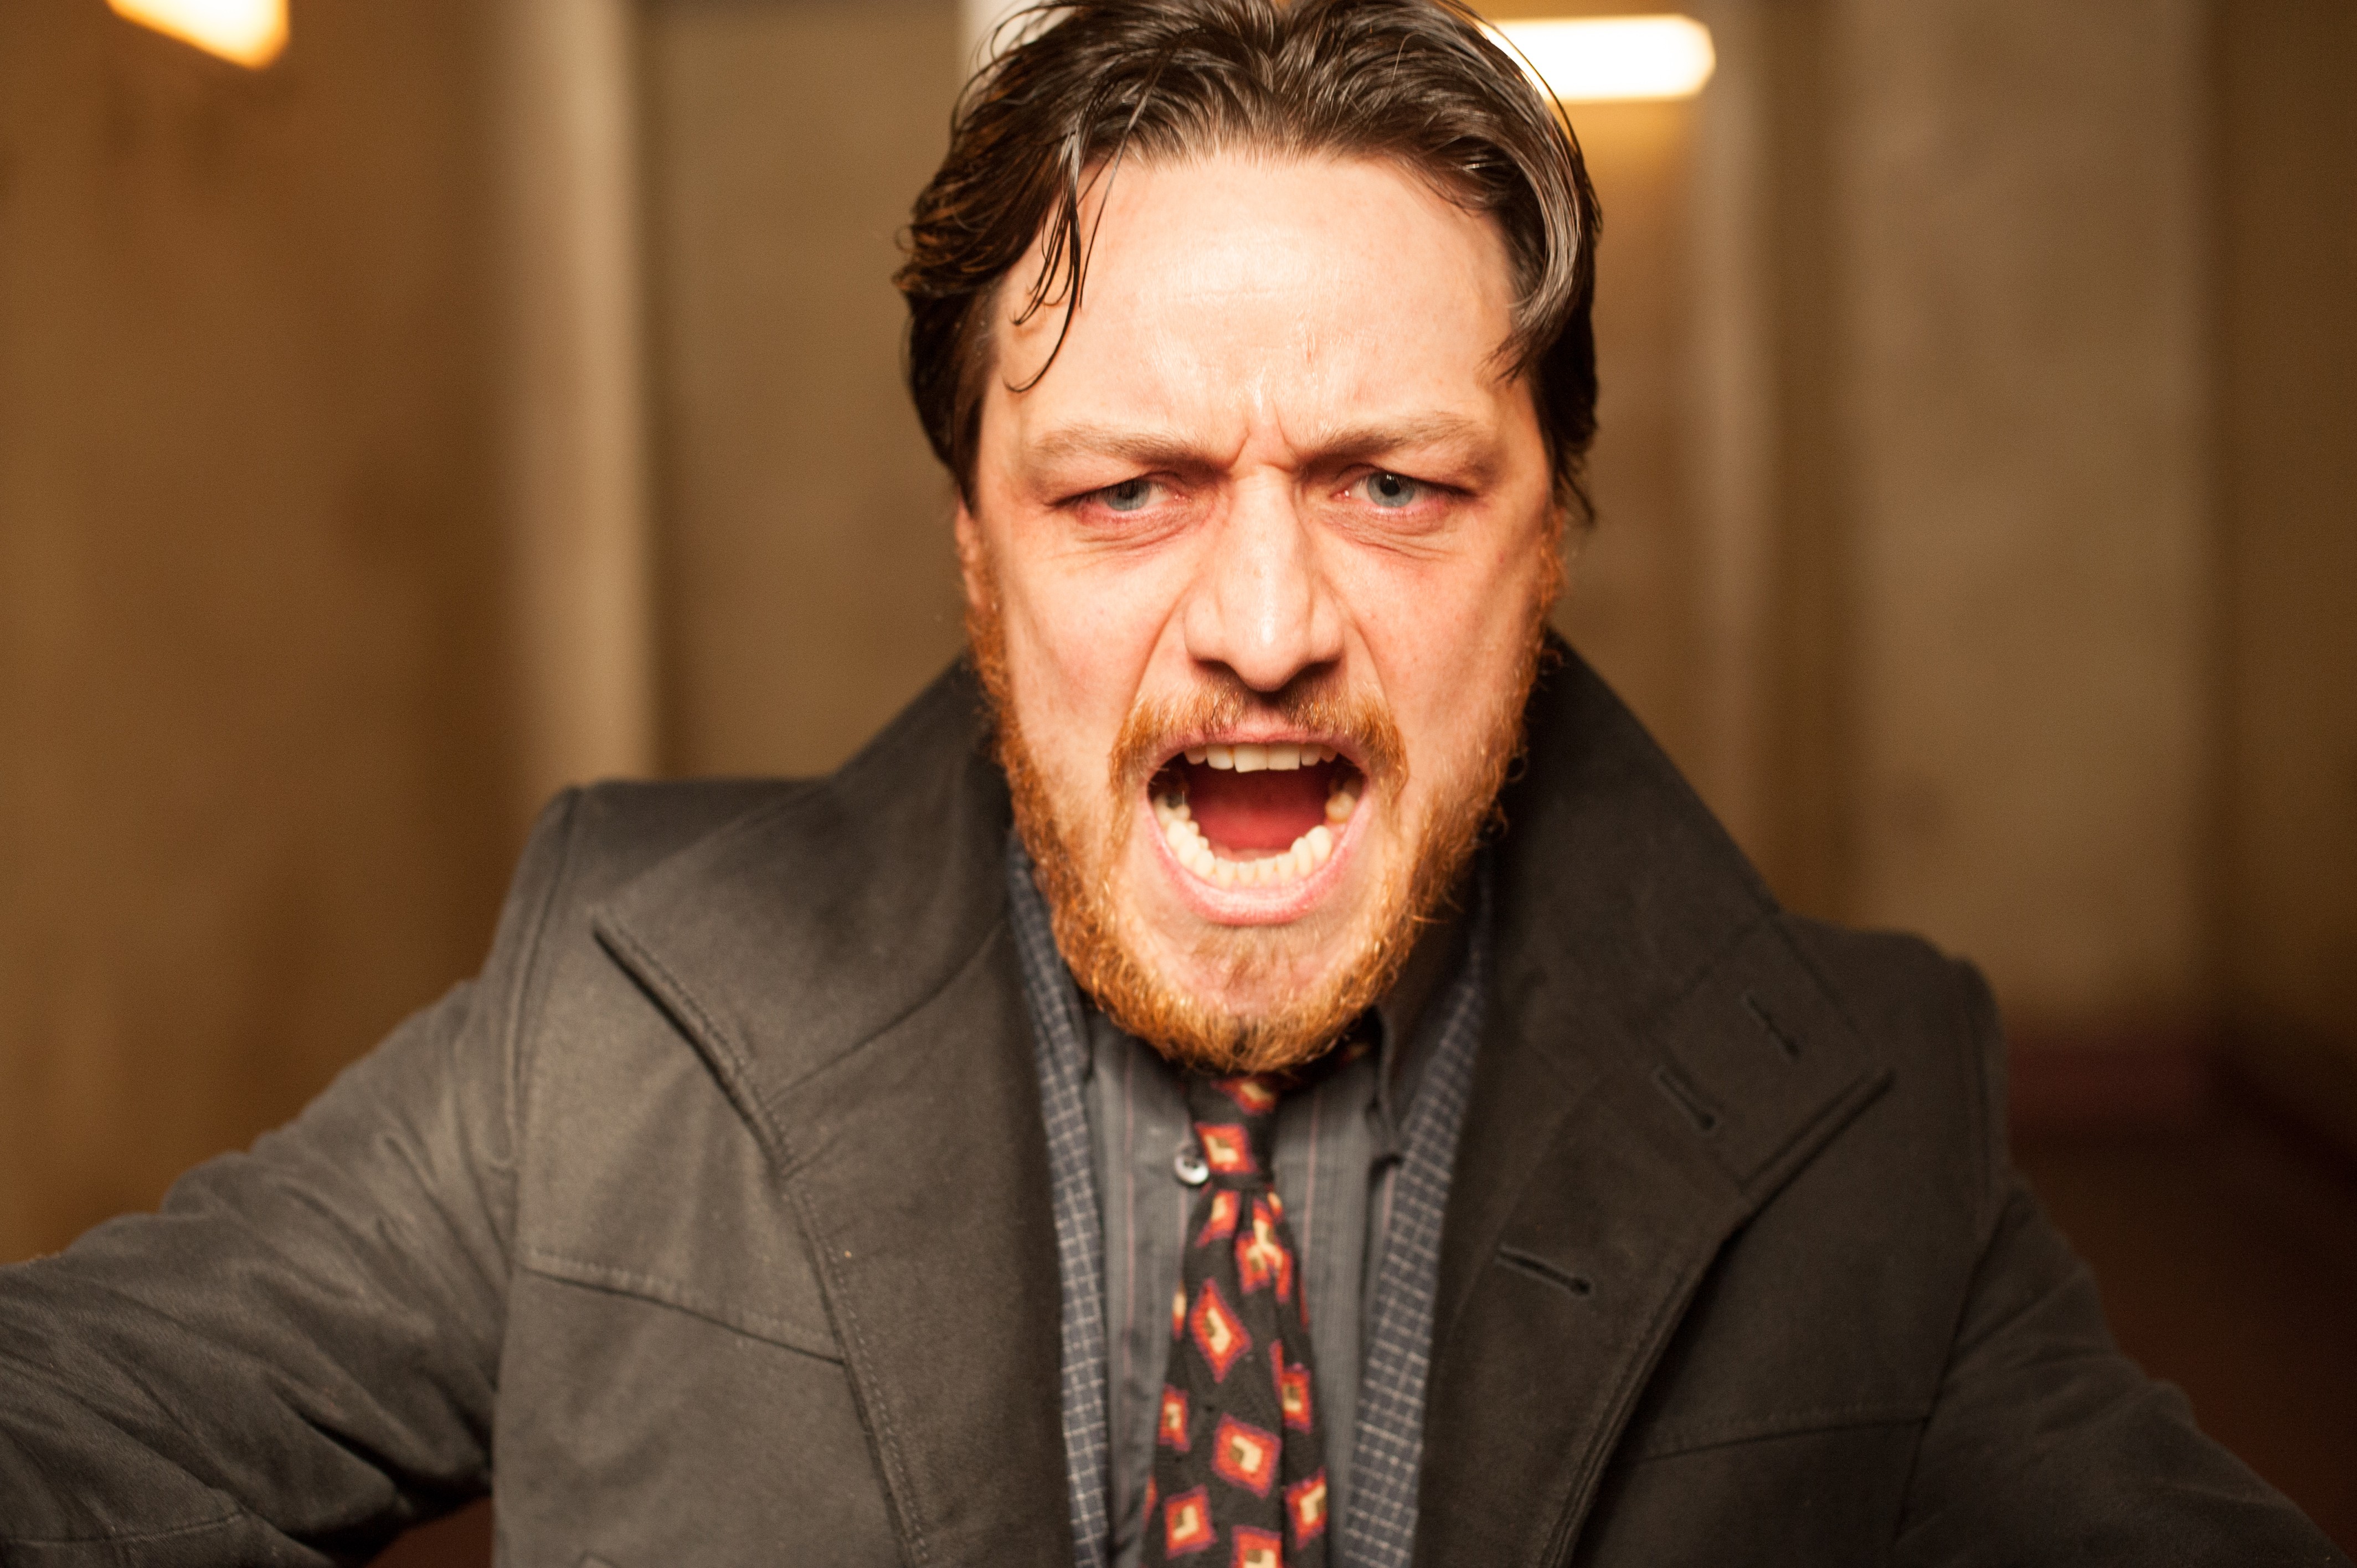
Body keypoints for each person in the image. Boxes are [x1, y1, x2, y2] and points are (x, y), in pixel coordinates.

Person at [0, 2, 2342, 1564]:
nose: (1263, 621)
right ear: (974, 548)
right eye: (1127, 489)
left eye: (1393, 486)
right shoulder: (613, 1004)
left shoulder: (1864, 1110)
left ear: (1550, 536)